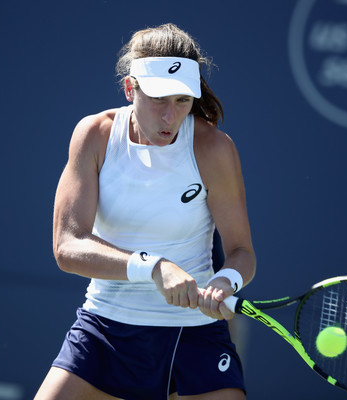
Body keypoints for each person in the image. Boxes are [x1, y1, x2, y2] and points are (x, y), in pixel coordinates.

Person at [35, 23, 256, 400]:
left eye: (183, 101)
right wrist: (154, 267)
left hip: (195, 335)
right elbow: (67, 247)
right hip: (105, 330)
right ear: (129, 89)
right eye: (158, 99)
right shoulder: (95, 135)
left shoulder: (213, 148)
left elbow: (242, 253)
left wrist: (226, 281)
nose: (170, 117)